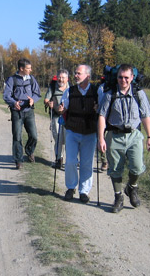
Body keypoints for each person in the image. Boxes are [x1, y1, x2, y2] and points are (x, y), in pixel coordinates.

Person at [97, 64, 150, 213]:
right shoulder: (110, 94)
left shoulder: (138, 93)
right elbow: (102, 116)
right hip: (114, 136)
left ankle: (131, 187)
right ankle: (118, 197)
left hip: (134, 136)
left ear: (132, 78)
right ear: (116, 77)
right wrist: (101, 138)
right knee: (115, 170)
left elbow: (145, 116)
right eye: (120, 77)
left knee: (137, 167)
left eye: (126, 77)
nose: (123, 80)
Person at [58, 64, 98, 203]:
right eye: (75, 73)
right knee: (70, 161)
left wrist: (98, 109)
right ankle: (71, 187)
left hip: (90, 132)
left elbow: (102, 110)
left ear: (87, 76)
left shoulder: (96, 91)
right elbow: (63, 108)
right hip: (72, 131)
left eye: (78, 73)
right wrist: (61, 109)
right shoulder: (70, 91)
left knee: (86, 163)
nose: (75, 75)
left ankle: (84, 191)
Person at [3, 58, 41, 169]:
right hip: (17, 113)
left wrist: (33, 100)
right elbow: (6, 96)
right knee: (17, 136)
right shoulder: (11, 80)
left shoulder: (32, 79)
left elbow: (37, 93)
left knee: (34, 135)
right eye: (28, 68)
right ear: (21, 68)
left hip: (29, 111)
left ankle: (29, 151)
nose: (31, 70)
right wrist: (14, 103)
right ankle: (18, 160)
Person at [44, 69, 70, 169]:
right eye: (59, 77)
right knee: (58, 139)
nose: (61, 79)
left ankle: (70, 161)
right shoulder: (53, 87)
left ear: (67, 79)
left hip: (68, 118)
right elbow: (46, 99)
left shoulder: (70, 88)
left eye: (63, 77)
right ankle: (59, 159)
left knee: (68, 139)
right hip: (56, 116)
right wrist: (48, 103)